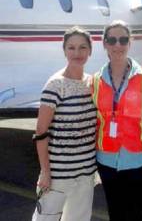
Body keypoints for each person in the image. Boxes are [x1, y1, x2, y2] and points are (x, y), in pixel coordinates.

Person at [91, 20, 142, 221]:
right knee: (116, 213)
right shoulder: (95, 80)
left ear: (131, 42)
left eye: (123, 40)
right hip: (107, 160)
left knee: (137, 214)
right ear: (104, 44)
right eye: (112, 40)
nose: (117, 45)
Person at [31, 26, 97, 221]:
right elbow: (41, 132)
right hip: (58, 175)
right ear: (64, 50)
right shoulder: (55, 85)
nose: (77, 53)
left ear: (90, 51)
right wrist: (45, 172)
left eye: (83, 47)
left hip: (85, 174)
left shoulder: (92, 83)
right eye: (71, 48)